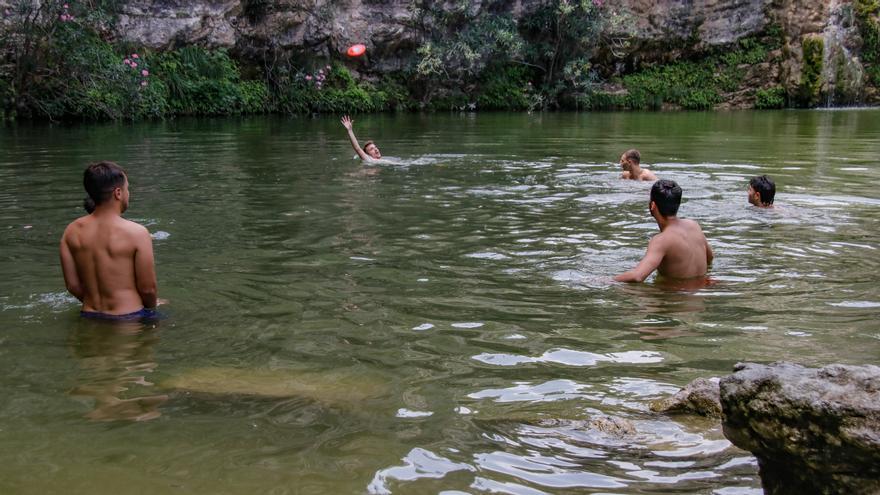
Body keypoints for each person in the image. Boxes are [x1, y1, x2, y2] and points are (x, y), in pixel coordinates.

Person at [60, 161, 159, 320]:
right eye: (128, 188)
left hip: (89, 315)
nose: (129, 193)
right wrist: (151, 313)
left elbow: (73, 286)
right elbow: (148, 289)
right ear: (118, 193)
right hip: (130, 317)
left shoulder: (71, 231)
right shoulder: (137, 233)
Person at [615, 179, 713, 283]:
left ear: (652, 205)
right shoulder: (694, 225)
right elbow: (710, 258)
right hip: (699, 296)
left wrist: (606, 281)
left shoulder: (661, 240)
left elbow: (637, 276)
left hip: (673, 297)